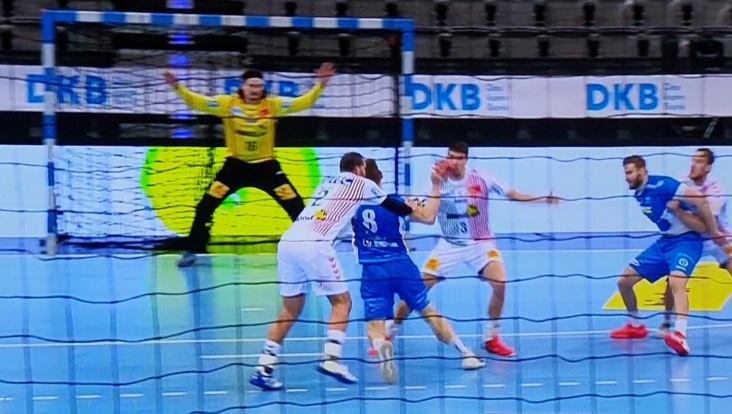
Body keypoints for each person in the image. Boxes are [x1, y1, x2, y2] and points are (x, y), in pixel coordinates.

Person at [249, 152, 422, 391]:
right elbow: (393, 206)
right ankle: (331, 358)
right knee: (342, 302)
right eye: (364, 167)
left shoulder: (327, 182)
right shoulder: (362, 183)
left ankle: (263, 368)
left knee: (290, 309)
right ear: (359, 168)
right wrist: (411, 208)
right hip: (315, 243)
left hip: (288, 242)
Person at [392, 141, 559, 358]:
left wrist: (543, 199)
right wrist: (410, 209)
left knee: (501, 283)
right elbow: (422, 212)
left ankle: (492, 338)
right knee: (416, 290)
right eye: (450, 156)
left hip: (481, 243)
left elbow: (513, 194)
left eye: (458, 158)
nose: (452, 162)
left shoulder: (482, 178)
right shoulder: (437, 183)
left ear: (466, 160)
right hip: (449, 244)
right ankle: (390, 331)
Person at [163, 63, 336, 268]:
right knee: (205, 207)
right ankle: (192, 250)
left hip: (267, 168)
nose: (255, 90)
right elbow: (198, 102)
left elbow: (303, 102)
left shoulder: (273, 105)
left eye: (259, 86)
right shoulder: (227, 104)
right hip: (235, 168)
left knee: (296, 207)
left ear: (263, 87)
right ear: (243, 86)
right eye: (251, 85)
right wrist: (178, 87)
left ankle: (312, 250)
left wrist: (321, 85)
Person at [352, 159, 485, 384]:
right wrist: (436, 185)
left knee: (374, 327)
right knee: (428, 311)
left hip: (372, 270)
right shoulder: (394, 202)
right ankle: (465, 353)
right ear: (380, 180)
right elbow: (429, 217)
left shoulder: (351, 206)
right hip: (402, 266)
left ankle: (381, 344)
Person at [610, 155, 725, 356]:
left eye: (630, 172)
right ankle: (636, 325)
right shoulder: (639, 193)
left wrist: (714, 232)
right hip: (665, 242)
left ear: (642, 170)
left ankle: (680, 334)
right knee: (624, 281)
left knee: (676, 282)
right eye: (625, 173)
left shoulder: (663, 185)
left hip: (687, 242)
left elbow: (701, 201)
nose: (627, 177)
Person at [657, 148, 732, 337]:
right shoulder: (681, 183)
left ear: (708, 167)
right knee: (673, 280)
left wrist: (679, 210)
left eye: (699, 161)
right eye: (693, 160)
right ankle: (666, 322)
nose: (693, 164)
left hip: (717, 239)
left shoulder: (716, 190)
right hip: (689, 239)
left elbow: (706, 223)